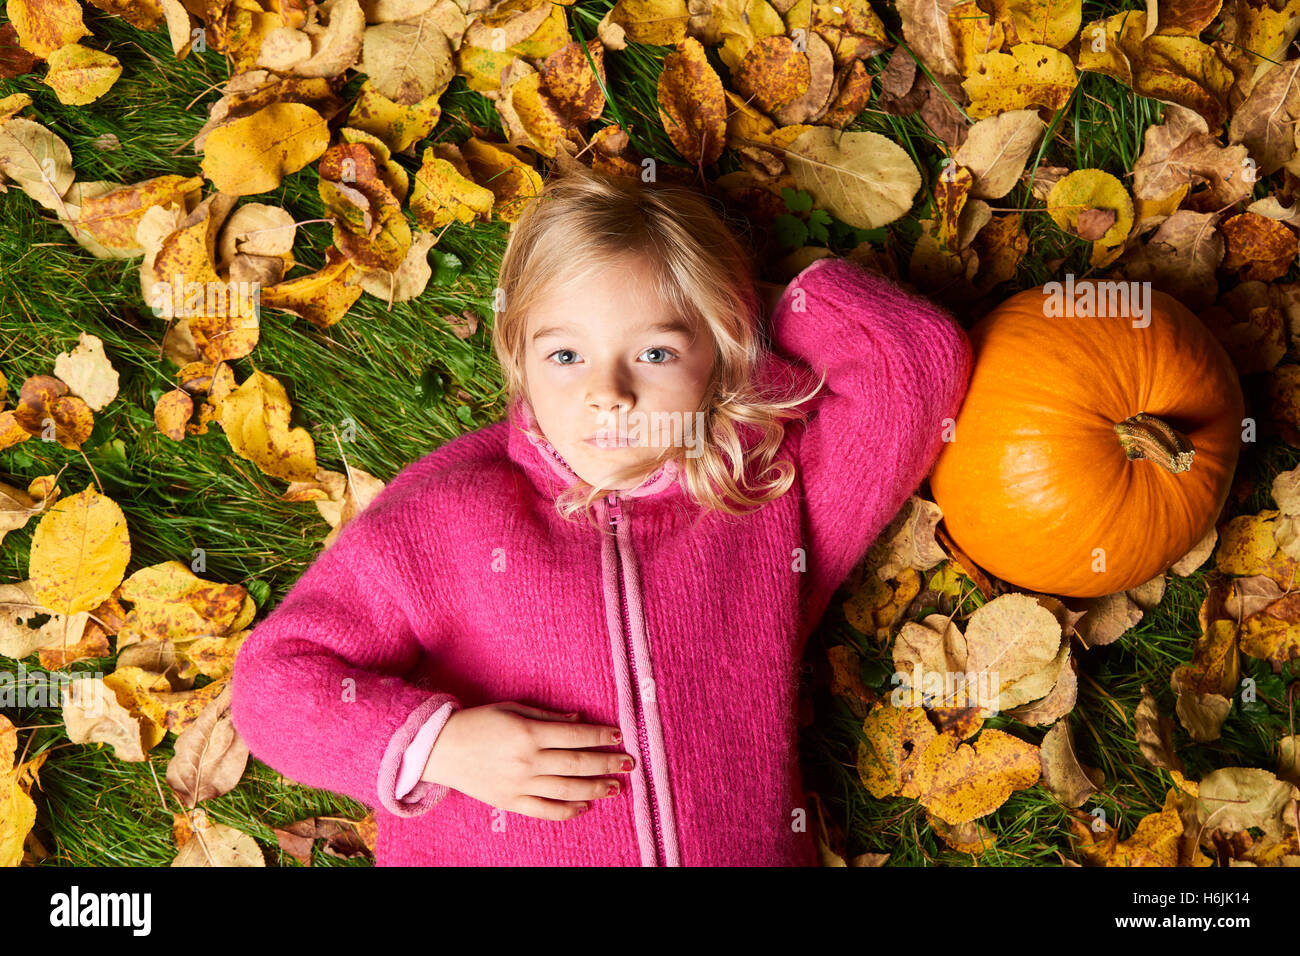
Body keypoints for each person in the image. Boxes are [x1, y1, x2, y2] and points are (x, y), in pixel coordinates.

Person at [228, 164, 973, 865]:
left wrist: (735, 303)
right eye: (565, 356)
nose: (607, 392)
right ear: (518, 358)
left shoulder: (762, 494)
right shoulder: (448, 514)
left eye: (652, 353)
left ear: (722, 349)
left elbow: (915, 361)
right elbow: (273, 688)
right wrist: (442, 746)